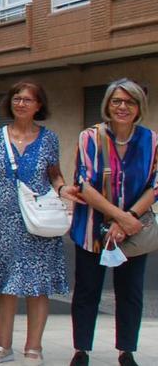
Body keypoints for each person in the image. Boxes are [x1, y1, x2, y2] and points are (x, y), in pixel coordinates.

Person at [0, 81, 70, 365]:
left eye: (28, 100)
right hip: (5, 220)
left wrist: (64, 191)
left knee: (38, 285)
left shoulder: (49, 138)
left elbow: (55, 175)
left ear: (39, 105)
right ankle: (3, 346)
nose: (21, 103)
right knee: (5, 284)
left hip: (38, 221)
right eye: (17, 98)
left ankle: (34, 347)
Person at [66, 79, 155, 366]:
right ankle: (82, 350)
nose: (122, 107)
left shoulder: (151, 140)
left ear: (139, 107)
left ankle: (126, 351)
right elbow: (84, 183)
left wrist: (129, 220)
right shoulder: (90, 137)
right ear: (107, 104)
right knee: (86, 291)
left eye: (130, 102)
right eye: (116, 101)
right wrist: (119, 217)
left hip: (133, 231)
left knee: (130, 293)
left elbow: (156, 184)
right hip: (93, 228)